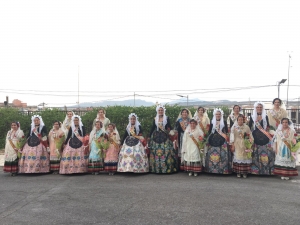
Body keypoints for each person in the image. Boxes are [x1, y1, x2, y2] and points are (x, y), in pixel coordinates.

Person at [149, 105, 178, 174]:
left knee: (167, 151)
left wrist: (171, 132)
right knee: (155, 152)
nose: (160, 111)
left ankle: (167, 168)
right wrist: (149, 136)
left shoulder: (167, 118)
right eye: (159, 110)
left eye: (161, 110)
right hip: (156, 137)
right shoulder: (155, 118)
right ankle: (155, 169)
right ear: (157, 111)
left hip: (165, 136)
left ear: (163, 111)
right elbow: (153, 127)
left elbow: (169, 127)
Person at [249, 102, 274, 175]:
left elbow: (268, 126)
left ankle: (265, 170)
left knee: (266, 153)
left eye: (260, 107)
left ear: (262, 108)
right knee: (256, 153)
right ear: (255, 108)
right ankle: (256, 170)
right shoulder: (252, 117)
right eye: (258, 107)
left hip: (264, 137)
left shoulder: (265, 116)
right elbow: (250, 126)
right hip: (255, 137)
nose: (259, 108)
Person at [205, 108, 232, 174]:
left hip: (222, 139)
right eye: (216, 114)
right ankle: (211, 169)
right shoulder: (212, 122)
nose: (218, 115)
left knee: (222, 155)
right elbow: (210, 131)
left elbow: (226, 131)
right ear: (215, 115)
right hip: (212, 140)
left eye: (219, 114)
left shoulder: (224, 122)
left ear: (221, 115)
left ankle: (222, 170)